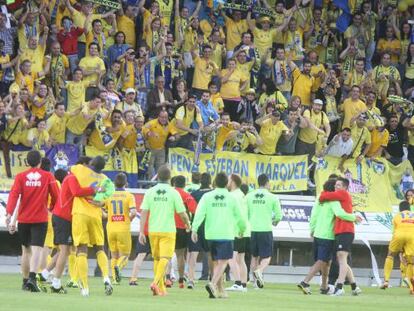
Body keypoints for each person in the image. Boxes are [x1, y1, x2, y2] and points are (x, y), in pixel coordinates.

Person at [6, 150, 59, 292]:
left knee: (26, 251)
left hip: (23, 219)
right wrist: (52, 207)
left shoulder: (20, 177)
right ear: (40, 162)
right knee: (37, 250)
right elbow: (56, 196)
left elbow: (14, 195)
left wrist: (9, 214)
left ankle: (24, 282)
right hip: (40, 218)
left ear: (27, 162)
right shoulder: (48, 176)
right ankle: (32, 279)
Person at [297, 178, 358, 295]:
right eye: (335, 186)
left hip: (317, 234)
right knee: (323, 261)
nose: (336, 189)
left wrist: (312, 228)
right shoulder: (334, 201)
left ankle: (325, 287)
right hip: (328, 235)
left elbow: (314, 215)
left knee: (326, 262)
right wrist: (354, 217)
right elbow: (340, 214)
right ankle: (305, 282)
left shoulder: (319, 201)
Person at [191, 172, 246, 298]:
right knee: (224, 262)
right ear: (227, 183)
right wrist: (242, 229)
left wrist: (194, 229)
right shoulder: (232, 198)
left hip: (210, 234)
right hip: (226, 234)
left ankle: (220, 291)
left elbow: (199, 213)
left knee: (216, 263)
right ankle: (213, 284)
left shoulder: (207, 196)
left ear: (215, 182)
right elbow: (240, 216)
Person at [138, 165, 191, 296]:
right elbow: (182, 213)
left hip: (153, 230)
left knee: (157, 259)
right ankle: (155, 283)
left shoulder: (150, 191)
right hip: (168, 230)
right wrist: (188, 224)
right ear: (170, 178)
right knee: (165, 258)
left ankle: (161, 289)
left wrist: (141, 231)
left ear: (158, 176)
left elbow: (144, 211)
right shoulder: (174, 192)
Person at [49, 157, 96, 293]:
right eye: (88, 166)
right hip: (63, 217)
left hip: (62, 216)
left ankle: (45, 274)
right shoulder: (72, 178)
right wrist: (93, 189)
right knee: (64, 251)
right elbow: (77, 192)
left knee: (64, 250)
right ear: (83, 166)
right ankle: (56, 283)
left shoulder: (72, 178)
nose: (89, 170)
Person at [71, 156, 114, 297]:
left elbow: (70, 169)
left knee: (81, 249)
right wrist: (102, 203)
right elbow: (109, 193)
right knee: (100, 248)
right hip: (96, 215)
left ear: (92, 163)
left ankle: (85, 287)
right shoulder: (105, 179)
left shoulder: (80, 169)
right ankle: (106, 278)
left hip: (80, 213)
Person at [319, 177, 362, 296]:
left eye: (338, 185)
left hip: (345, 230)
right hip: (342, 231)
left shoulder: (343, 194)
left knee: (341, 259)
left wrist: (323, 195)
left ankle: (339, 287)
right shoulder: (341, 195)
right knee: (342, 260)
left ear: (344, 187)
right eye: (335, 185)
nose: (335, 187)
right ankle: (354, 286)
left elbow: (324, 197)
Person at [246, 174, 282, 289]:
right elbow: (278, 215)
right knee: (267, 256)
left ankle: (255, 282)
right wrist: (275, 222)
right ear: (267, 183)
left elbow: (245, 214)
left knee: (254, 256)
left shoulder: (249, 196)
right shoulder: (272, 197)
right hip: (265, 229)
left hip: (252, 229)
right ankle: (260, 271)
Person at [104, 173, 137, 285]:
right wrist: (129, 219)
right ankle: (118, 267)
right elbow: (133, 212)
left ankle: (114, 279)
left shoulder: (109, 195)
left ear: (114, 183)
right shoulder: (129, 196)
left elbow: (102, 210)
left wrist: (107, 216)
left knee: (114, 255)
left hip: (110, 228)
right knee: (125, 255)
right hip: (123, 228)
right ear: (126, 183)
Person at [381, 200, 414, 293]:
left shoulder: (397, 216)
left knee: (390, 254)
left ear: (400, 209)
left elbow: (394, 231)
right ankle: (411, 286)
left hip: (398, 235)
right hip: (412, 236)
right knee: (412, 261)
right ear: (409, 208)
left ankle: (386, 281)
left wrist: (399, 249)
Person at [226, 174, 250, 292]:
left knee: (231, 258)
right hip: (244, 230)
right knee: (241, 259)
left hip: (236, 230)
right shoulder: (242, 194)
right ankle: (244, 285)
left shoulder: (232, 196)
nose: (227, 182)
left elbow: (236, 214)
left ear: (233, 182)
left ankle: (237, 283)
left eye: (229, 180)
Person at [172, 175, 197, 288]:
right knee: (180, 255)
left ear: (174, 183)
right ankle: (181, 280)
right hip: (182, 227)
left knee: (165, 254)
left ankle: (166, 277)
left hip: (168, 227)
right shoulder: (187, 196)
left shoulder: (170, 194)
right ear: (184, 184)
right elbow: (194, 210)